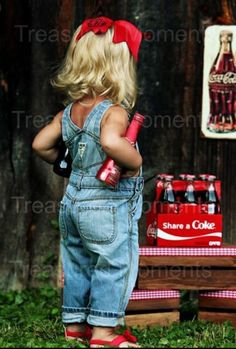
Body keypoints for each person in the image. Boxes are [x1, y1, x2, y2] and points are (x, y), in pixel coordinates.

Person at [32, 16, 143, 348]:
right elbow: (110, 143)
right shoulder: (115, 112)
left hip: (73, 203)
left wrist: (69, 168)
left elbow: (40, 145)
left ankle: (76, 325)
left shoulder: (69, 112)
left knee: (77, 260)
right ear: (120, 66)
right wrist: (134, 162)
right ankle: (105, 333)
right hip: (106, 205)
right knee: (113, 262)